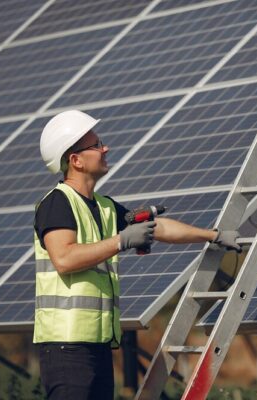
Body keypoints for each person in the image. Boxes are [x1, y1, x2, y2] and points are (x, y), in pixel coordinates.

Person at [33, 110, 241, 399]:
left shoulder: (105, 207)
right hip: (67, 347)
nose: (105, 149)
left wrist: (214, 236)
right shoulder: (57, 204)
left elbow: (158, 228)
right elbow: (64, 259)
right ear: (75, 160)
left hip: (98, 344)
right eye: (96, 145)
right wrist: (121, 241)